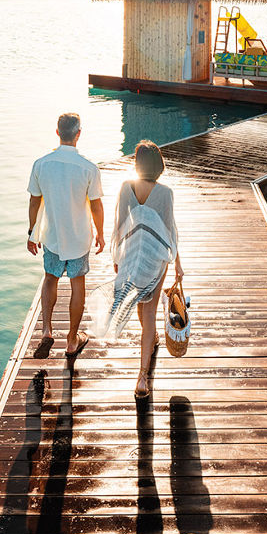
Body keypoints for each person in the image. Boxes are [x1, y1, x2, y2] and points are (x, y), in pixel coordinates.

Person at [104, 140, 183, 399]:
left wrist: (117, 257)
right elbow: (170, 232)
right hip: (155, 259)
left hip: (131, 257)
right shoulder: (166, 193)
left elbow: (119, 225)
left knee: (141, 306)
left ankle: (150, 343)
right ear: (158, 165)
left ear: (137, 165)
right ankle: (142, 377)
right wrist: (178, 265)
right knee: (148, 312)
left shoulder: (126, 187)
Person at [27, 112, 104, 358]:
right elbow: (96, 206)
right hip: (79, 238)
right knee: (77, 284)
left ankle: (47, 330)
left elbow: (34, 201)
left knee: (50, 278)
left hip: (52, 236)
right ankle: (72, 340)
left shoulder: (41, 164)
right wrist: (101, 233)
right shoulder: (89, 168)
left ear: (58, 132)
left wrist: (32, 232)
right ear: (78, 134)